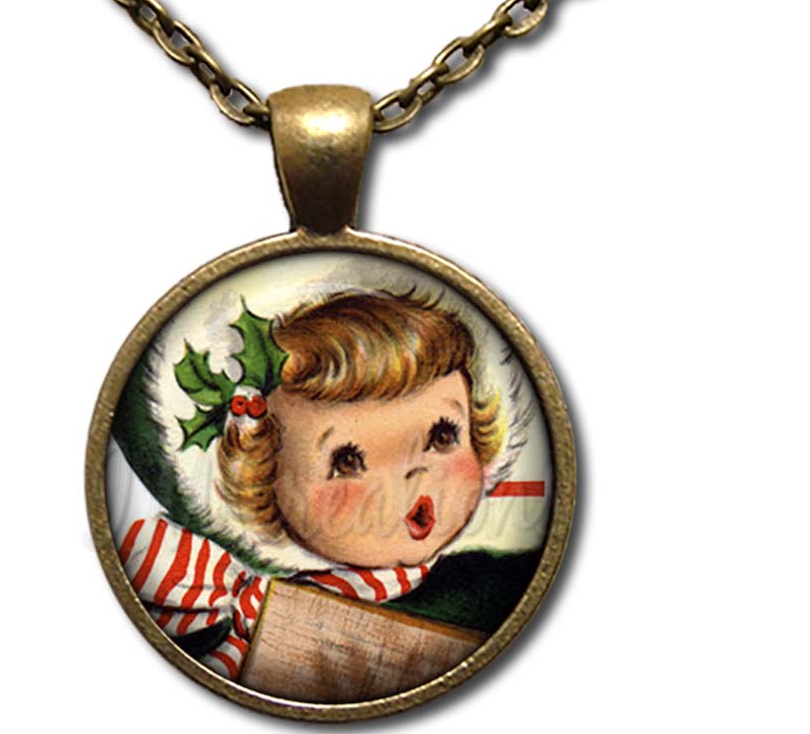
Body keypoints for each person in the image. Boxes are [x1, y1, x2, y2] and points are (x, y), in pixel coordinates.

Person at [114, 290, 542, 683]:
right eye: (348, 461)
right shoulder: (247, 618)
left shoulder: (499, 586)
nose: (415, 476)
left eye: (443, 436)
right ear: (266, 487)